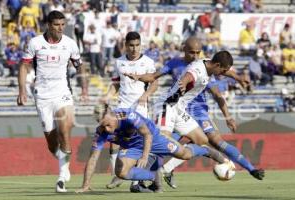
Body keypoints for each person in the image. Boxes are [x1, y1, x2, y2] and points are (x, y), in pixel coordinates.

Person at [125, 46, 265, 186]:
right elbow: (189, 77)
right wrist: (183, 84)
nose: (223, 74)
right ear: (217, 65)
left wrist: (239, 78)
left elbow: (228, 72)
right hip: (166, 107)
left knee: (202, 141)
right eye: (222, 71)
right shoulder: (197, 71)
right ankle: (137, 180)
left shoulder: (209, 63)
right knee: (161, 145)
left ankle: (168, 167)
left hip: (179, 109)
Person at [75, 107, 234, 193]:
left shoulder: (128, 116)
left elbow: (147, 134)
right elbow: (93, 158)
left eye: (108, 125)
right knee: (120, 172)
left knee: (184, 154)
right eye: (102, 125)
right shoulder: (101, 131)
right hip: (131, 146)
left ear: (114, 116)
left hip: (154, 137)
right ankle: (152, 176)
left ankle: (205, 150)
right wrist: (85, 185)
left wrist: (145, 156)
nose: (107, 129)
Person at [17, 10, 88, 193]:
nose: (60, 28)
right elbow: (24, 67)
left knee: (65, 128)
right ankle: (63, 161)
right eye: (57, 25)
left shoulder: (70, 44)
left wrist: (85, 88)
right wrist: (22, 90)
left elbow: (80, 66)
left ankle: (62, 176)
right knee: (51, 142)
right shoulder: (35, 43)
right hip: (42, 95)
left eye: (63, 25)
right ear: (48, 25)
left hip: (62, 92)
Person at [100, 31, 158, 191]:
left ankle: (135, 182)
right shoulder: (118, 62)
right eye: (131, 46)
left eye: (137, 45)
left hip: (140, 108)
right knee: (113, 141)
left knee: (137, 144)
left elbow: (154, 83)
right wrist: (108, 96)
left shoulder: (148, 62)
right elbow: (116, 84)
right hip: (122, 107)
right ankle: (117, 174)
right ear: (126, 46)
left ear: (141, 45)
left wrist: (146, 95)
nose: (134, 49)